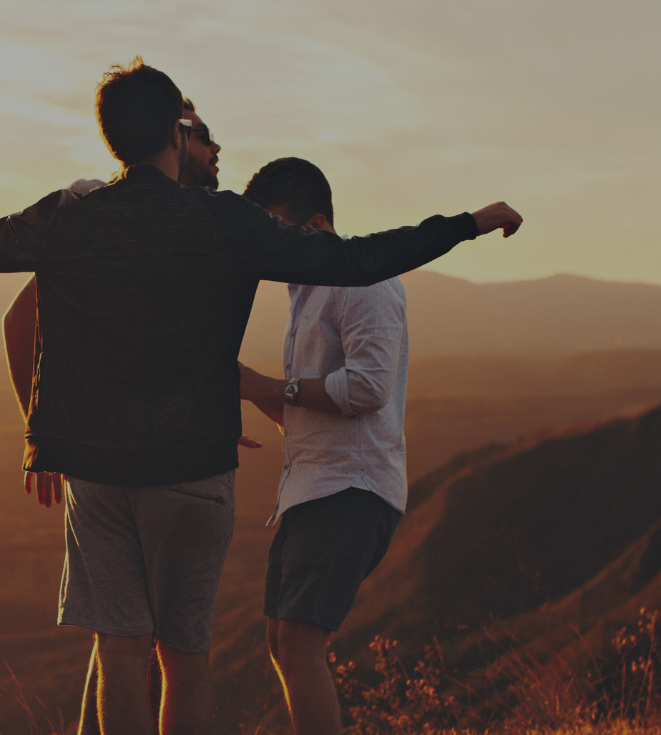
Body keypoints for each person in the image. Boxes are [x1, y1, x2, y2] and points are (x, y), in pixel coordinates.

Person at [0, 58, 521, 735]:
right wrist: (466, 223)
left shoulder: (69, 217)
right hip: (194, 467)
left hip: (95, 470)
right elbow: (355, 259)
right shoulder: (224, 221)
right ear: (176, 135)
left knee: (119, 649)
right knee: (185, 658)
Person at [1, 96, 226, 735]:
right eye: (205, 136)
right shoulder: (96, 208)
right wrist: (40, 432)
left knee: (127, 644)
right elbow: (20, 321)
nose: (216, 152)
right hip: (117, 463)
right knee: (143, 648)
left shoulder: (201, 223)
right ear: (173, 138)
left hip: (157, 460)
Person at [239, 157, 409, 735]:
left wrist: (263, 386)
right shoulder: (304, 292)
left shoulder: (365, 280)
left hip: (351, 487)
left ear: (314, 226)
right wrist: (244, 387)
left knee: (298, 643)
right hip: (312, 488)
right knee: (281, 643)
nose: (267, 248)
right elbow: (309, 413)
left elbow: (367, 388)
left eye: (275, 231)